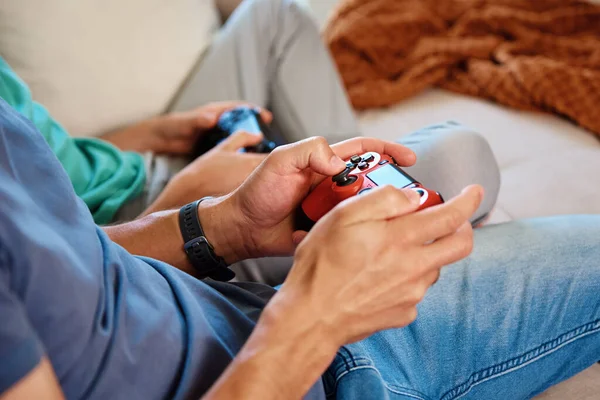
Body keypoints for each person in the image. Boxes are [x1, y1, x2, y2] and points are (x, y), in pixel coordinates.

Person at [1, 98, 599, 400]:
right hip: (314, 369)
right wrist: (313, 321)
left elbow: (68, 258)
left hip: (259, 314)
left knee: (452, 157)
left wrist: (225, 225)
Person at [0, 0, 501, 284]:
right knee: (463, 159)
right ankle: (341, 199)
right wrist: (190, 193)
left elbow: (50, 151)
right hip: (137, 225)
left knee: (273, 15)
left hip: (143, 163)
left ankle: (344, 180)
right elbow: (52, 259)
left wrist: (161, 130)